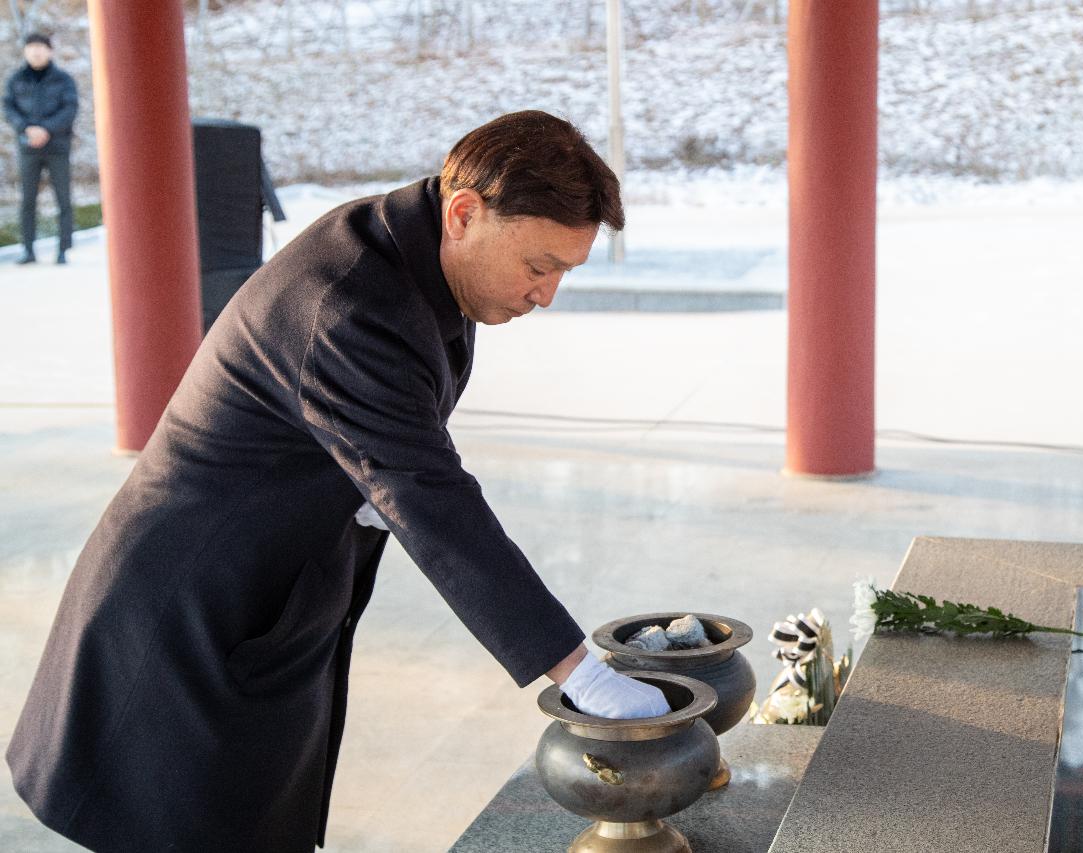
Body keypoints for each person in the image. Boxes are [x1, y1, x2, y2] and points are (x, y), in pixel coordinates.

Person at [7, 110, 669, 853]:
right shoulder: (350, 303)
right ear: (464, 213)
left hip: (276, 594)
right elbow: (431, 498)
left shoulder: (425, 258)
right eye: (541, 266)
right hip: (186, 617)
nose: (545, 294)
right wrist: (577, 667)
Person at [3, 32, 78, 265]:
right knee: (27, 201)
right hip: (28, 147)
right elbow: (8, 108)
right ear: (25, 51)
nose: (36, 52)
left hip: (57, 145)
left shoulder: (63, 79)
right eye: (31, 47)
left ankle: (63, 249)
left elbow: (69, 108)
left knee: (63, 198)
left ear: (49, 51)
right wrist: (26, 128)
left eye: (40, 47)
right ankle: (28, 250)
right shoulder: (16, 79)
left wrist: (46, 129)